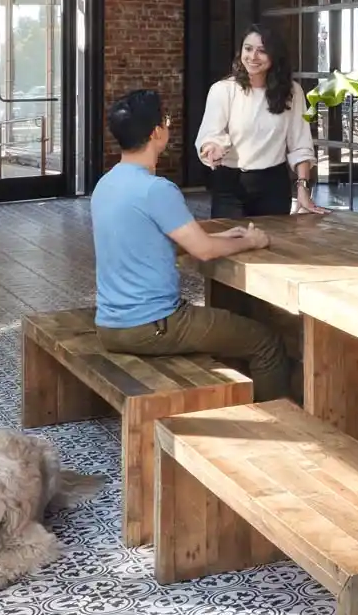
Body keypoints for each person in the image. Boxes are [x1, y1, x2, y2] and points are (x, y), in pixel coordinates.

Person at [91, 88, 298, 405]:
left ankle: (241, 404)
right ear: (157, 132)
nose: (169, 127)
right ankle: (280, 425)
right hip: (154, 325)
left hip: (111, 323)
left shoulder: (107, 184)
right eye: (167, 121)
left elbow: (157, 242)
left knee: (231, 330)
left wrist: (226, 238)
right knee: (265, 342)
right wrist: (251, 240)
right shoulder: (156, 189)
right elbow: (203, 251)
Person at [195, 25, 321, 218]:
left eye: (262, 51)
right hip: (231, 184)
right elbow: (211, 133)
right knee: (233, 244)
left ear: (274, 55)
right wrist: (212, 148)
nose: (253, 57)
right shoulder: (223, 90)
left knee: (274, 244)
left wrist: (303, 188)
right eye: (248, 49)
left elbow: (301, 144)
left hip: (274, 185)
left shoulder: (292, 92)